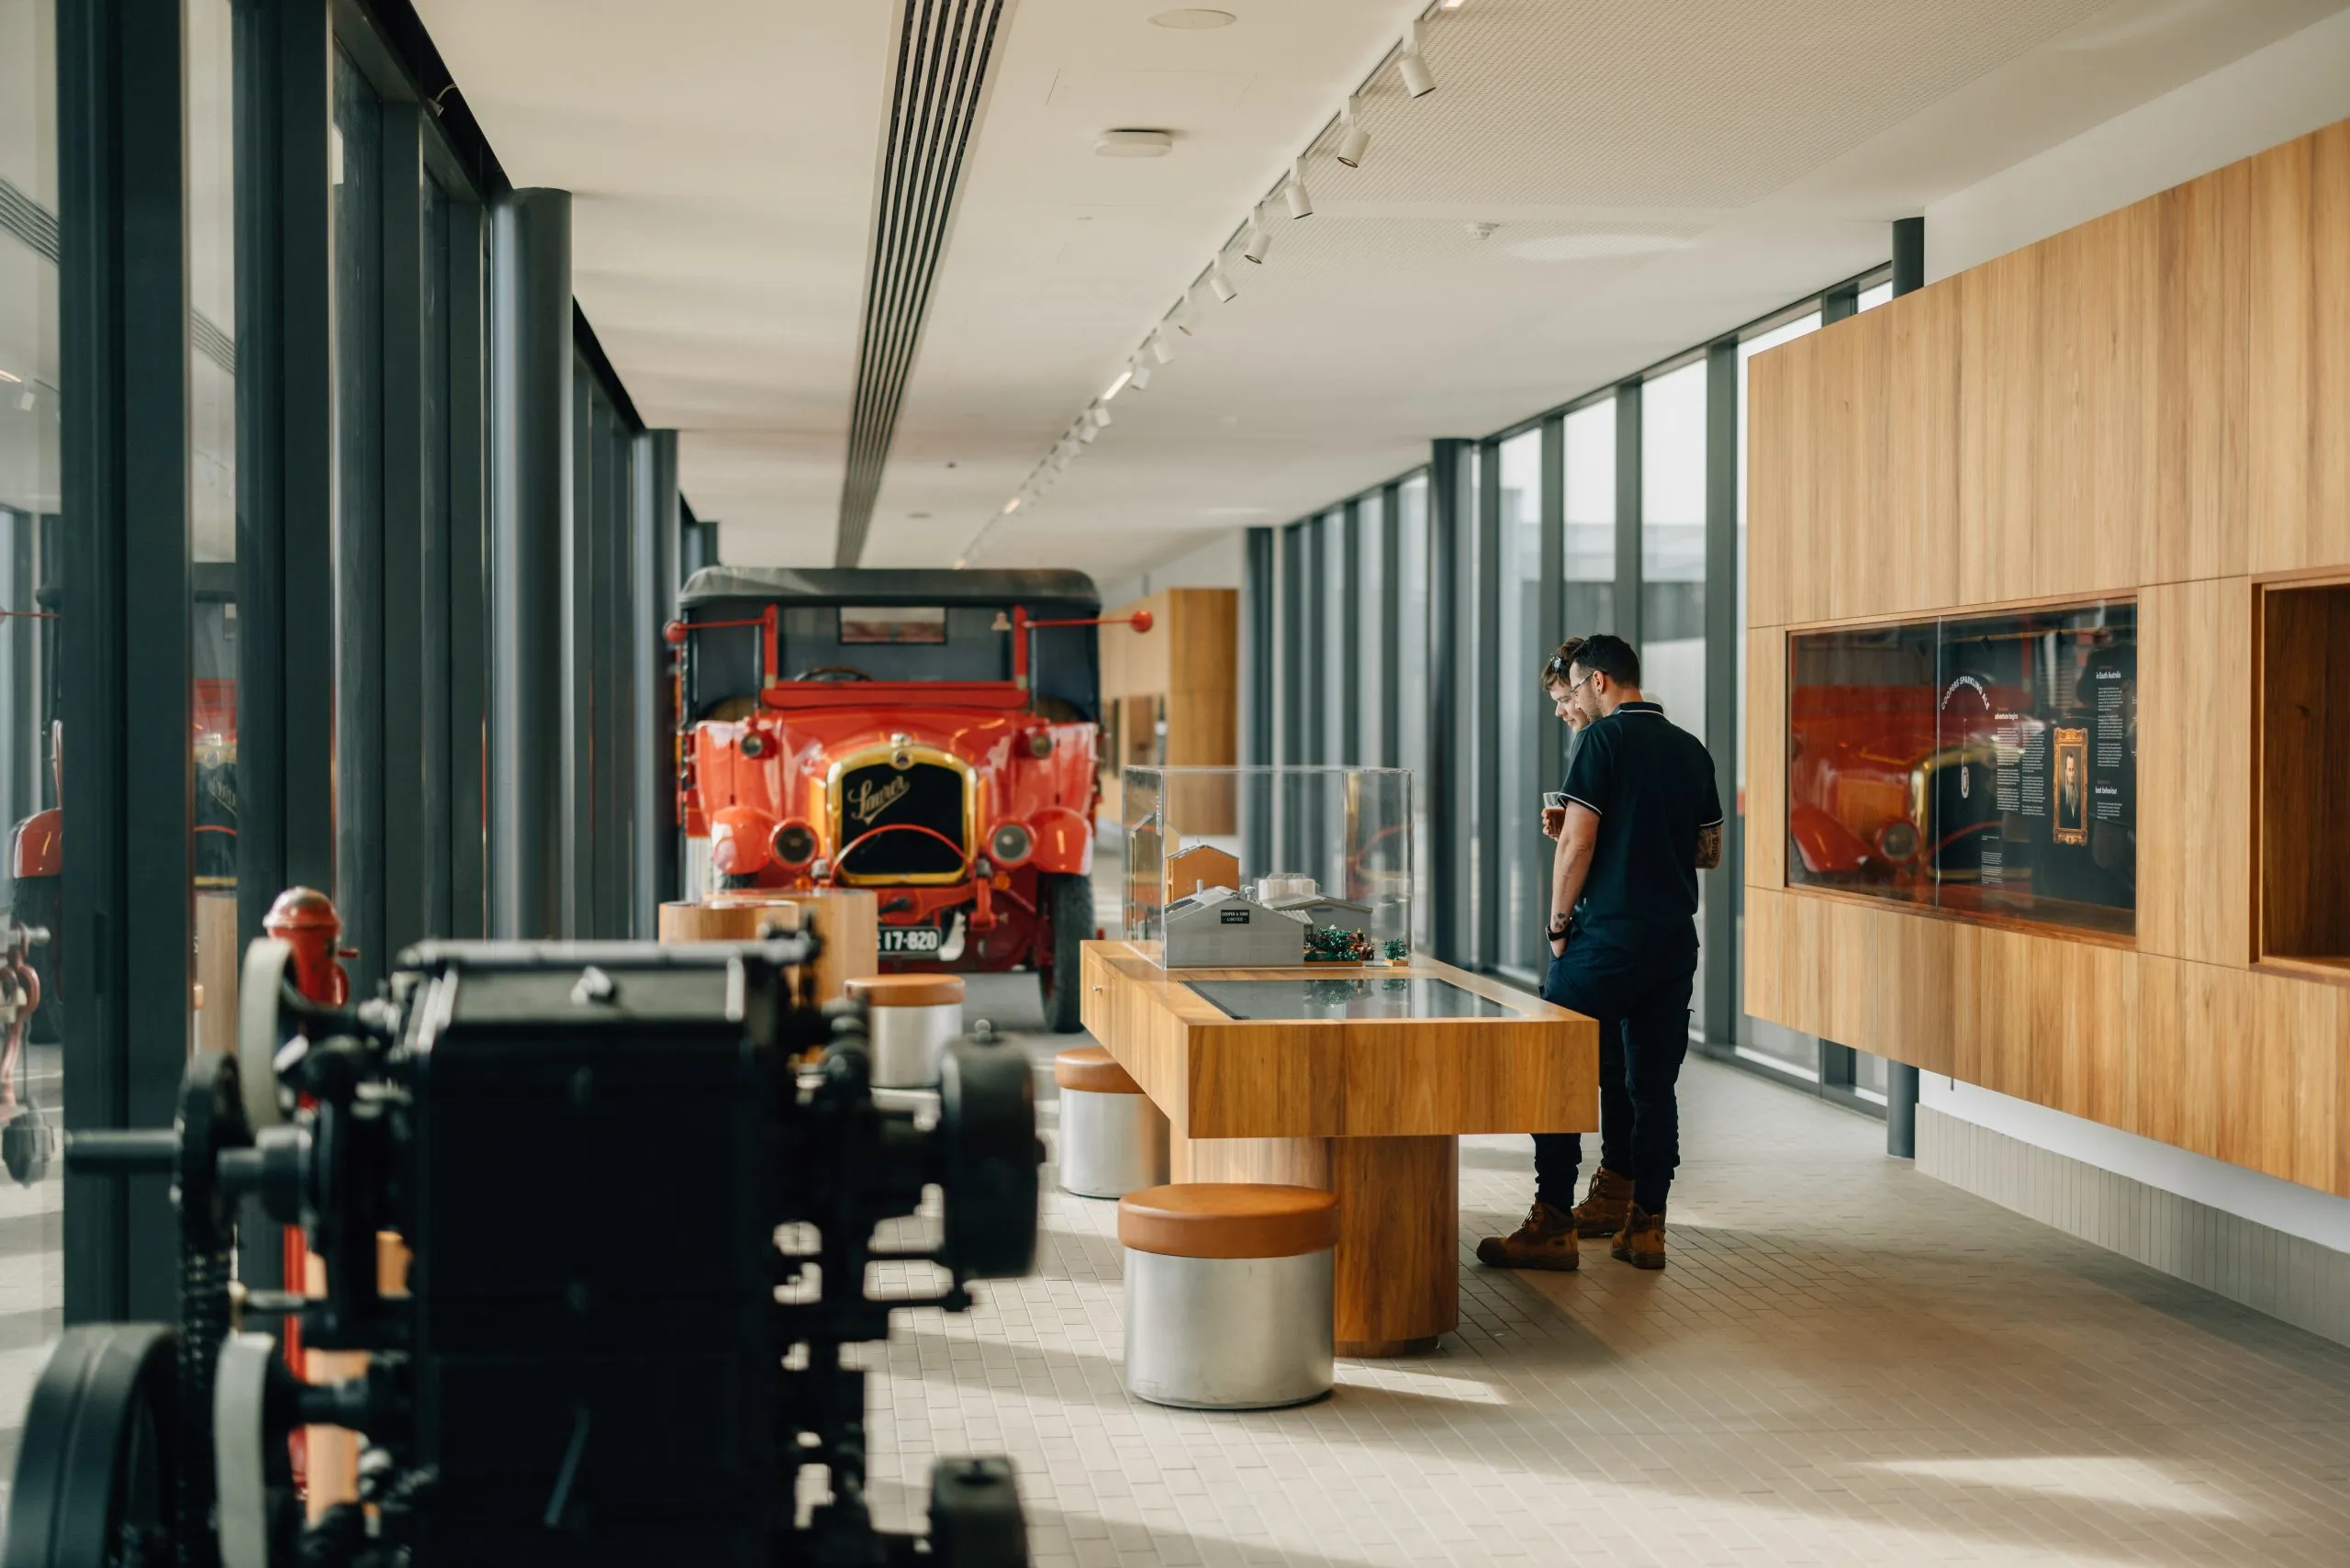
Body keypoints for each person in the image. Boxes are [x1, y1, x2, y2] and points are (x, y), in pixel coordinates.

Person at [1477, 633, 1721, 1272]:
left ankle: (1552, 1221)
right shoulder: (1692, 749)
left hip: (1606, 940)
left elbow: (1576, 846)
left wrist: (1559, 927)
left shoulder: (1600, 740)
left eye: (1576, 688)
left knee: (1555, 1069)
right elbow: (1707, 851)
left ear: (1599, 682)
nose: (1575, 698)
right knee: (1653, 1086)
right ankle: (1646, 1227)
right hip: (1671, 943)